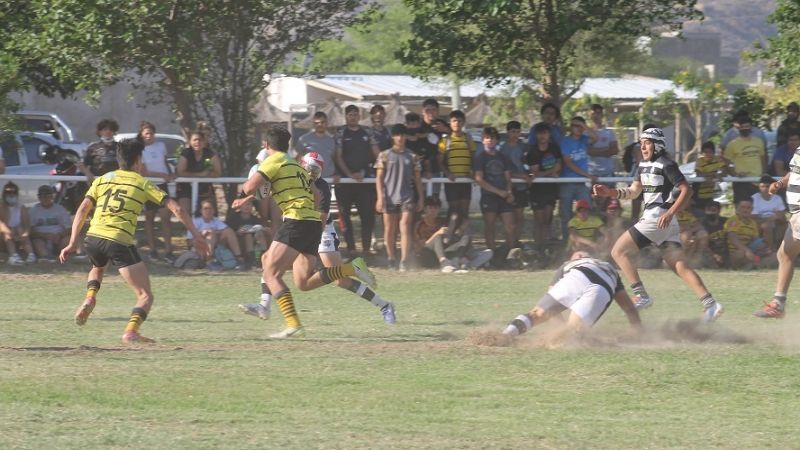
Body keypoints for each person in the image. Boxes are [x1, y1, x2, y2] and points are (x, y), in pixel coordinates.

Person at [232, 125, 377, 338]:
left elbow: (251, 185)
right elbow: (316, 195)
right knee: (301, 280)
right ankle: (350, 269)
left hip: (296, 220)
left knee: (271, 272)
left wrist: (241, 192)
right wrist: (251, 197)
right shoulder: (294, 165)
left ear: (266, 145)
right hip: (311, 223)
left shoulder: (272, 161)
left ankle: (290, 322)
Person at [59, 139, 211, 343]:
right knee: (145, 295)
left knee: (98, 266)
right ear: (138, 161)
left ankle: (90, 297)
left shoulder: (102, 179)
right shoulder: (142, 182)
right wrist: (197, 236)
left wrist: (72, 242)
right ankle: (131, 331)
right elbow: (178, 209)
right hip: (119, 240)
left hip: (93, 237)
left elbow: (82, 209)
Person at [238, 151, 396, 324]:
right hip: (299, 228)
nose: (312, 173)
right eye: (309, 168)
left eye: (316, 170)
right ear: (302, 165)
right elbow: (268, 180)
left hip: (320, 231)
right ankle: (265, 305)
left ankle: (383, 305)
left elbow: (320, 220)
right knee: (300, 282)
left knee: (340, 281)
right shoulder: (293, 177)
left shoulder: (321, 188)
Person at [592, 127, 724, 322]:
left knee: (618, 252)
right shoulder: (643, 165)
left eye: (646, 142)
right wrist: (610, 193)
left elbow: (687, 190)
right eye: (641, 143)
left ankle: (641, 295)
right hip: (665, 222)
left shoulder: (666, 164)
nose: (642, 146)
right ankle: (711, 304)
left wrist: (670, 212)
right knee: (679, 265)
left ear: (657, 144)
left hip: (658, 218)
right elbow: (634, 192)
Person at [501, 251, 641, 344]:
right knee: (572, 333)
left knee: (537, 314)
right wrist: (639, 332)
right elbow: (629, 308)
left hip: (578, 275)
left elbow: (551, 308)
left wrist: (557, 328)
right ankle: (562, 338)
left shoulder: (568, 264)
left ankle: (505, 335)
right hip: (603, 287)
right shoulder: (609, 268)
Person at [754, 155, 800, 318]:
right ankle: (778, 303)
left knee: (786, 254)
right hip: (796, 213)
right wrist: (780, 183)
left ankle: (778, 303)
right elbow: (795, 171)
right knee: (785, 254)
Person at [375, 124, 424, 271]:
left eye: (403, 135)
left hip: (406, 196)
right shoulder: (384, 155)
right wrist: (380, 197)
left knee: (405, 227)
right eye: (397, 135)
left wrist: (421, 198)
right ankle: (391, 258)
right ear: (393, 137)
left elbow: (418, 179)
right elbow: (379, 178)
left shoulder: (412, 156)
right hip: (389, 196)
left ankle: (404, 260)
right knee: (389, 229)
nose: (400, 138)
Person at [333, 104, 381, 256]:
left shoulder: (367, 131)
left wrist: (376, 170)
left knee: (368, 215)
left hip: (364, 181)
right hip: (345, 182)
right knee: (344, 216)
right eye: (350, 115)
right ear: (346, 117)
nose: (353, 117)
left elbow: (377, 154)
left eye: (356, 114)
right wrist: (349, 174)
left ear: (359, 116)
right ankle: (351, 249)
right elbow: (338, 156)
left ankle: (366, 249)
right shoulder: (341, 132)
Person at [138, 121, 176, 262]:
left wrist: (170, 173)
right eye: (146, 133)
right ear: (141, 135)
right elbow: (144, 171)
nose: (149, 136)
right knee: (149, 219)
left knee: (166, 218)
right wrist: (162, 175)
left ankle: (168, 250)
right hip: (149, 187)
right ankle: (152, 250)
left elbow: (165, 162)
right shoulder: (140, 150)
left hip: (163, 186)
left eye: (151, 133)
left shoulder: (161, 146)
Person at [474, 126, 516, 252]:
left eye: (492, 138)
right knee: (490, 226)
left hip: (504, 196)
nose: (490, 141)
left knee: (510, 226)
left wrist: (509, 192)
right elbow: (479, 179)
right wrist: (498, 192)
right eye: (487, 138)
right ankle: (492, 255)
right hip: (489, 196)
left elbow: (508, 177)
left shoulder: (502, 157)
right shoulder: (480, 158)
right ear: (482, 140)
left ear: (497, 140)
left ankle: (510, 254)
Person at [438, 110, 476, 244]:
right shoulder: (445, 140)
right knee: (454, 212)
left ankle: (464, 241)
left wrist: (472, 171)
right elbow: (440, 161)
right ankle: (448, 239)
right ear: (450, 123)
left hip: (465, 180)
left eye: (459, 121)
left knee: (464, 212)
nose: (457, 123)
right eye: (454, 121)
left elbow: (473, 156)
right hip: (452, 181)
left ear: (464, 122)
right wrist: (447, 173)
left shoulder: (468, 139)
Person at [558, 116, 597, 241]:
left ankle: (587, 240)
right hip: (567, 181)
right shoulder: (565, 141)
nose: (579, 128)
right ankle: (567, 242)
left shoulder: (584, 139)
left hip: (581, 184)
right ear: (571, 127)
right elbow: (568, 163)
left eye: (581, 126)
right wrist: (588, 175)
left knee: (586, 212)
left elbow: (596, 138)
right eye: (576, 126)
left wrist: (583, 126)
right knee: (566, 215)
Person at [526, 122, 562, 253]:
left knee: (548, 220)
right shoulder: (533, 151)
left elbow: (559, 166)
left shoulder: (554, 149)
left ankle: (545, 248)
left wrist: (555, 171)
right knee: (539, 221)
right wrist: (551, 171)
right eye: (540, 133)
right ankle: (538, 247)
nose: (542, 136)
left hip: (551, 190)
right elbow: (534, 173)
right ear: (536, 135)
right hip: (537, 191)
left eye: (545, 133)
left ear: (549, 135)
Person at [187, 200, 246, 270]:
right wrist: (202, 234)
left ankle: (239, 259)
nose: (208, 211)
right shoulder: (195, 222)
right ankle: (209, 261)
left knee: (229, 231)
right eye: (205, 209)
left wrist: (212, 231)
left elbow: (226, 230)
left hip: (216, 245)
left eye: (210, 209)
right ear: (201, 210)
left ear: (214, 211)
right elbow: (189, 242)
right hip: (200, 247)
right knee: (210, 235)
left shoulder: (216, 221)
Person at [500, 121, 532, 248]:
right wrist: (521, 176)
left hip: (522, 187)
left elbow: (528, 163)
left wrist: (528, 175)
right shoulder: (503, 149)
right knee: (510, 219)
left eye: (517, 131)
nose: (515, 134)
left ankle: (515, 243)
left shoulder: (523, 147)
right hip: (509, 186)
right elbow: (504, 169)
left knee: (520, 218)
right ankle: (509, 245)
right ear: (507, 132)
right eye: (512, 131)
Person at [722, 114, 767, 203]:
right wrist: (734, 174)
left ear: (751, 127)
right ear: (739, 128)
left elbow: (763, 158)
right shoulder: (732, 144)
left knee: (756, 208)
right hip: (741, 181)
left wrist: (764, 173)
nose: (745, 128)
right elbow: (726, 160)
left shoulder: (758, 141)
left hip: (757, 181)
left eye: (747, 126)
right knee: (741, 207)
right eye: (742, 127)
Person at [176, 130, 221, 215]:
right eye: (195, 140)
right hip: (185, 187)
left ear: (204, 142)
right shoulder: (186, 153)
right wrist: (199, 175)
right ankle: (188, 228)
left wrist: (207, 175)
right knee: (184, 212)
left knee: (208, 212)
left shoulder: (210, 154)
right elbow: (180, 172)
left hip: (204, 188)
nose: (197, 142)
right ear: (190, 142)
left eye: (200, 139)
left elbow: (217, 173)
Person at [725, 199, 776, 269]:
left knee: (774, 255)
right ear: (737, 208)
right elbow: (732, 237)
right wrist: (746, 251)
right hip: (736, 251)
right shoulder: (733, 220)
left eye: (748, 208)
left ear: (752, 210)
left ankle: (754, 264)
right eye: (743, 207)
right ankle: (752, 265)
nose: (745, 210)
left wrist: (764, 249)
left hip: (750, 249)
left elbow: (755, 239)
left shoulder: (753, 223)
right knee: (741, 254)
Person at [587, 104, 619, 211]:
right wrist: (606, 150)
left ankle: (611, 227)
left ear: (602, 114)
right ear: (590, 114)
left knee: (611, 204)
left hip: (608, 173)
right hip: (592, 174)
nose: (596, 115)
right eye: (594, 112)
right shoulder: (586, 132)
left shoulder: (609, 132)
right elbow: (588, 151)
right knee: (593, 204)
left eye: (598, 112)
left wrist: (595, 151)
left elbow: (614, 150)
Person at [29, 185, 72, 261]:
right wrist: (44, 235)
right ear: (39, 197)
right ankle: (45, 257)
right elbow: (30, 231)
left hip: (59, 239)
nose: (45, 198)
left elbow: (69, 229)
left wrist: (59, 235)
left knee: (69, 239)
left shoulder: (60, 209)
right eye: (42, 196)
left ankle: (62, 254)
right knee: (37, 242)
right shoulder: (33, 210)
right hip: (41, 239)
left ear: (52, 197)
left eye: (47, 196)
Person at [227, 199, 271, 269]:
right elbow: (229, 232)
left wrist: (264, 229)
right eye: (244, 205)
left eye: (249, 204)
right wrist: (238, 232)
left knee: (259, 234)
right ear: (240, 206)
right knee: (248, 236)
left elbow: (258, 228)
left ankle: (263, 257)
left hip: (253, 241)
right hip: (238, 242)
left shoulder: (255, 219)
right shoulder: (234, 218)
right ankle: (250, 260)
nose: (247, 207)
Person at [0, 182, 35, 265]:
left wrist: (25, 234)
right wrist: (9, 232)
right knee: (7, 233)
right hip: (4, 237)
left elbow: (27, 224)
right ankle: (13, 256)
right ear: (4, 194)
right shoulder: (1, 207)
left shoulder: (21, 207)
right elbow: (1, 224)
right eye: (8, 192)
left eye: (14, 192)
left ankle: (30, 255)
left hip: (18, 235)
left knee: (19, 228)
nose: (11, 195)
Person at [693, 141, 731, 215]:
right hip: (698, 194)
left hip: (709, 194)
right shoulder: (700, 161)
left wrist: (719, 175)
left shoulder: (717, 159)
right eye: (705, 152)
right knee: (698, 214)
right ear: (702, 153)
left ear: (713, 152)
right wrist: (713, 174)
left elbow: (724, 170)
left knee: (709, 215)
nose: (707, 154)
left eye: (710, 152)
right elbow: (699, 174)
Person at [294, 112, 336, 178]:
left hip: (328, 180)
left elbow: (335, 160)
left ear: (326, 123)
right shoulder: (303, 139)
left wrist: (336, 174)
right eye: (316, 123)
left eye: (322, 122)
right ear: (313, 124)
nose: (320, 125)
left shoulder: (332, 140)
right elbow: (296, 160)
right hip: (310, 181)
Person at [752, 175, 787, 251]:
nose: (764, 189)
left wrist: (776, 217)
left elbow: (782, 218)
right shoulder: (754, 198)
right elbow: (753, 218)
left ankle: (785, 250)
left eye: (767, 186)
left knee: (789, 226)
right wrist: (770, 219)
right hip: (760, 223)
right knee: (767, 225)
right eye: (762, 186)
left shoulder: (777, 198)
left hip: (775, 221)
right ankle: (770, 249)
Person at [701, 201, 728, 268]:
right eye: (708, 210)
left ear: (719, 211)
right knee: (714, 266)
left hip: (725, 251)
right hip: (708, 251)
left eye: (713, 210)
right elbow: (702, 244)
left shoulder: (726, 222)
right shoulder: (701, 223)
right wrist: (713, 255)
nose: (710, 212)